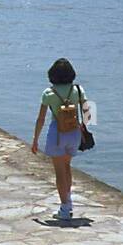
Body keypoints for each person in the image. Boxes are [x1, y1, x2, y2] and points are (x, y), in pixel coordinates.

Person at [32, 57, 88, 221]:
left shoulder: (48, 93)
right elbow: (88, 113)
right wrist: (83, 128)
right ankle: (68, 202)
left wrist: (35, 139)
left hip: (57, 134)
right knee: (67, 167)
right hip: (74, 133)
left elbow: (41, 119)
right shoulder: (78, 90)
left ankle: (64, 208)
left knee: (59, 172)